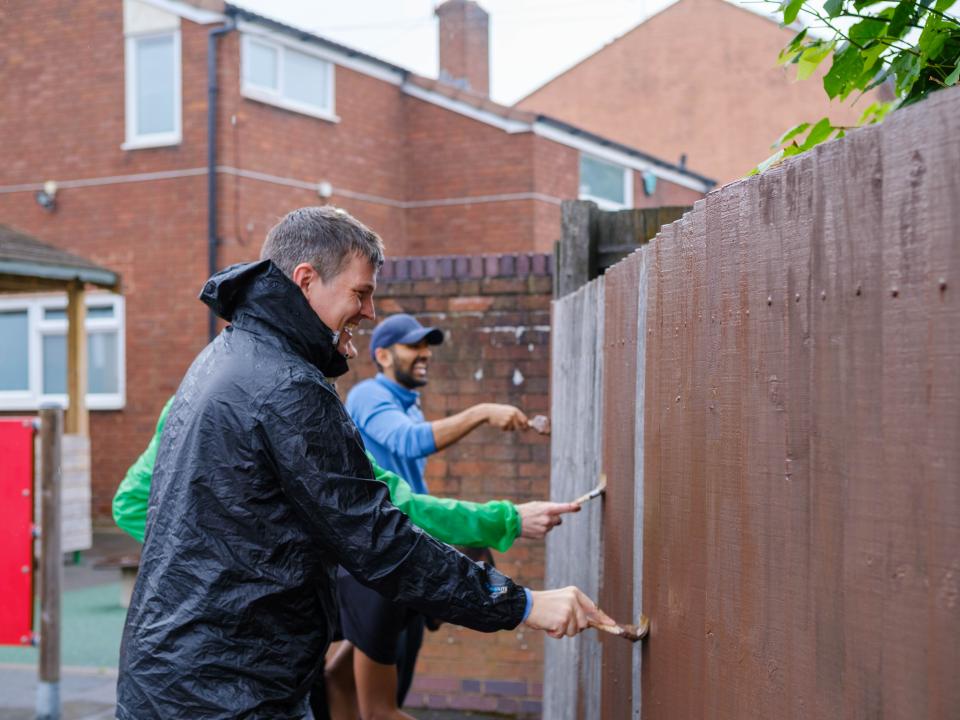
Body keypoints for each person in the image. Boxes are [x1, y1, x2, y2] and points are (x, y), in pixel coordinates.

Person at [115, 206, 610, 719]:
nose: (370, 312)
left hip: (175, 681)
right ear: (306, 280)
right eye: (360, 293)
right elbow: (378, 536)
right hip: (229, 694)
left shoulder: (223, 359)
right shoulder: (287, 386)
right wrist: (520, 604)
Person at [113, 396, 577, 719]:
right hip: (246, 657)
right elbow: (396, 504)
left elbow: (131, 504)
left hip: (176, 661)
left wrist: (219, 557)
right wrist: (506, 524)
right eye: (359, 296)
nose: (363, 320)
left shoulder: (197, 394)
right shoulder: (293, 404)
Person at [340, 314, 572, 719]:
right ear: (382, 355)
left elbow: (414, 496)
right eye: (413, 346)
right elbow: (408, 447)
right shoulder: (368, 395)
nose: (425, 353)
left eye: (426, 346)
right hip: (379, 559)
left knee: (358, 680)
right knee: (380, 703)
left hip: (399, 552)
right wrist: (481, 413)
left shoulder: (408, 405)